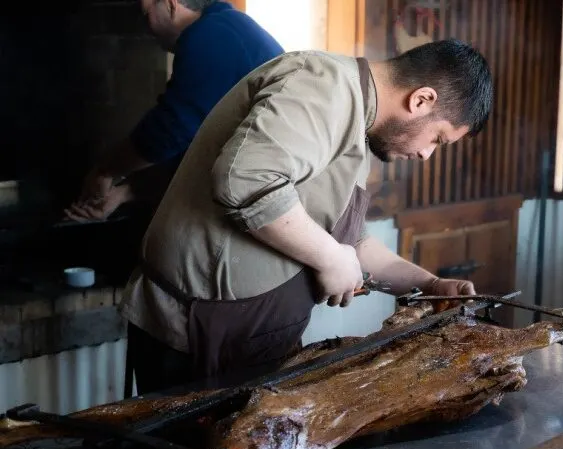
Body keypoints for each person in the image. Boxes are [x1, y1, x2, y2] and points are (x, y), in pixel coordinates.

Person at [117, 39, 494, 394]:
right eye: (438, 139)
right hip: (192, 337)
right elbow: (245, 181)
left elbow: (350, 244)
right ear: (422, 100)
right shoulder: (322, 85)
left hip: (254, 342)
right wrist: (329, 258)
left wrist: (429, 284)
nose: (428, 155)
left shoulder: (360, 126)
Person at [64, 0, 284, 224]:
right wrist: (124, 194)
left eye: (145, 14)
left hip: (267, 198)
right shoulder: (224, 26)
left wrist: (106, 170)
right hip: (257, 183)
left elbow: (170, 130)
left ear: (170, 5)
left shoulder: (211, 34)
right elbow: (190, 146)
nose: (145, 27)